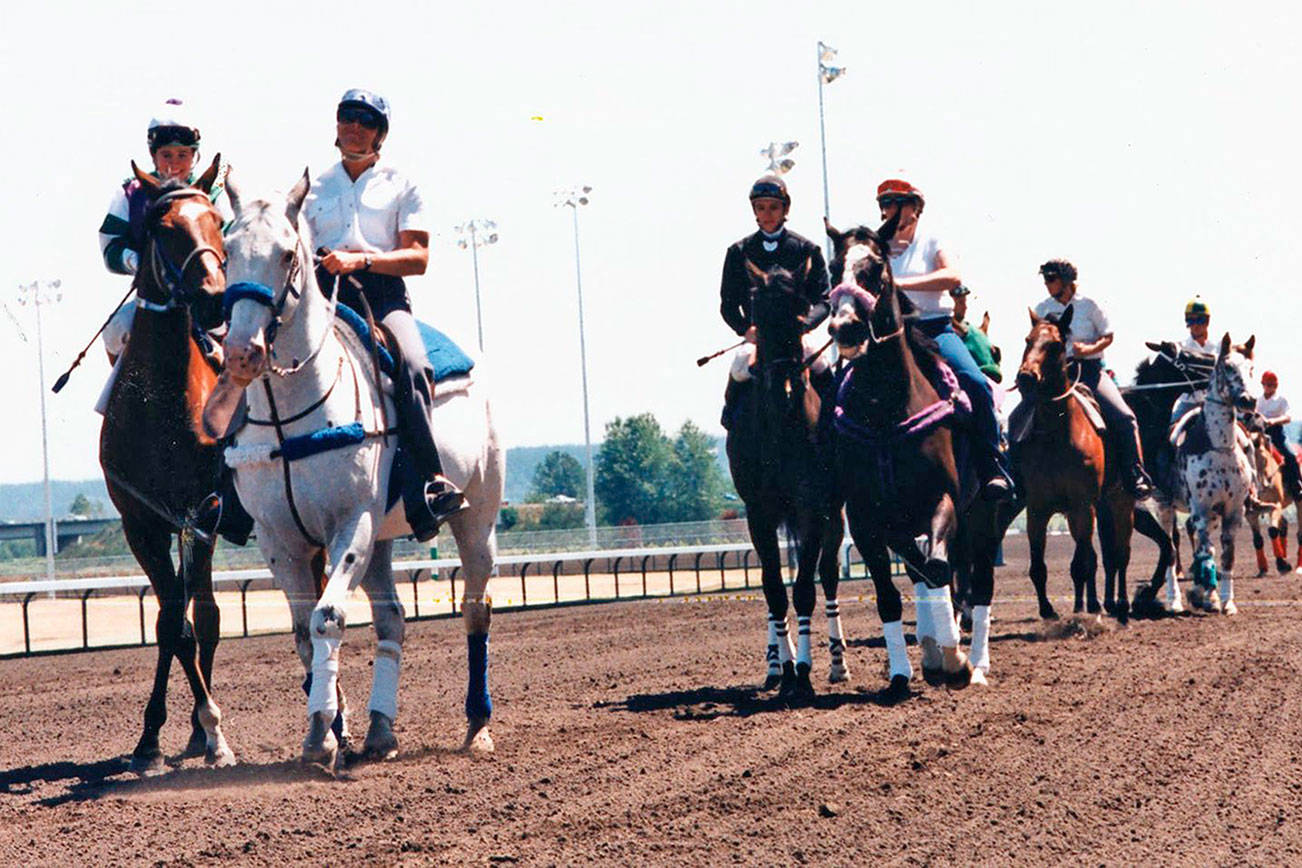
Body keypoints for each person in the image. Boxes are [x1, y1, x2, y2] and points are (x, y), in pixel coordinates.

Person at [303, 88, 465, 541]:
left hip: (382, 296)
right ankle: (238, 497)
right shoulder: (312, 186)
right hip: (323, 296)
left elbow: (418, 257)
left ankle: (431, 482)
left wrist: (362, 261)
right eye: (346, 117)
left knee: (414, 366)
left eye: (366, 121)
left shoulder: (403, 183)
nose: (354, 126)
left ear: (381, 134)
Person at [875, 178, 1012, 500]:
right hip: (892, 335)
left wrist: (901, 284)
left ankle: (991, 464)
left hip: (935, 330)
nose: (888, 210)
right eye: (884, 204)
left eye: (896, 202)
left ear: (915, 208)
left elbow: (952, 276)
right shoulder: (876, 246)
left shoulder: (933, 240)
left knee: (974, 382)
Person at [98, 98, 230, 362]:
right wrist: (136, 261)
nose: (174, 164)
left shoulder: (213, 194)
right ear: (153, 156)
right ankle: (114, 401)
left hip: (205, 296)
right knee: (114, 329)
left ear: (194, 156)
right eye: (166, 155)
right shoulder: (131, 193)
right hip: (153, 298)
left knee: (236, 334)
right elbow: (111, 245)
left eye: (183, 155)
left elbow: (231, 240)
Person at [1034, 259, 1154, 499]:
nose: (1047, 284)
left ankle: (1135, 473)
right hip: (1055, 374)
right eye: (1045, 279)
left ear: (1066, 282)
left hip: (1089, 370)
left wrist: (1088, 350)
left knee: (1125, 417)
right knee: (1020, 416)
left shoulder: (1090, 305)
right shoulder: (1042, 308)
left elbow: (1108, 336)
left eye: (1051, 279)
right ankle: (1014, 475)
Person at [718, 174, 830, 427]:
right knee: (739, 365)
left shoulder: (806, 249)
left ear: (785, 209)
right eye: (761, 208)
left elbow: (824, 300)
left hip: (798, 333)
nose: (767, 214)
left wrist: (805, 324)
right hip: (759, 336)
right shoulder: (738, 252)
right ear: (754, 210)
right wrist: (745, 329)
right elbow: (727, 304)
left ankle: (834, 416)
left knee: (820, 362)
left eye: (773, 207)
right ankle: (731, 419)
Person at [1257, 371, 1302, 500]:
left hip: (1277, 432)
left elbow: (1288, 417)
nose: (1270, 387)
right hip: (1260, 433)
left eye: (1272, 385)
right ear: (1262, 385)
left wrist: (1273, 421)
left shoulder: (1281, 400)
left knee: (1290, 455)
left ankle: (1297, 485)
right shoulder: (1258, 401)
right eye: (1267, 384)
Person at [950, 285, 1001, 383]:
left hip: (991, 376)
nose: (965, 307)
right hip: (975, 377)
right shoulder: (951, 331)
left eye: (965, 302)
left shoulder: (973, 329)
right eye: (960, 303)